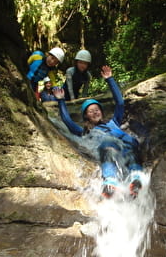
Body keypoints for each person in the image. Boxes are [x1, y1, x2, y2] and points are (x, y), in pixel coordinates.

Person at [53, 66, 143, 199]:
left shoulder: (113, 122)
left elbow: (120, 104)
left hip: (126, 147)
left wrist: (110, 79)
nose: (95, 112)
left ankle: (136, 179)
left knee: (130, 148)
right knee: (108, 146)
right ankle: (110, 182)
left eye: (97, 109)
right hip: (109, 151)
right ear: (86, 117)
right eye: (91, 111)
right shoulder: (85, 132)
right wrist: (61, 100)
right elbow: (67, 121)